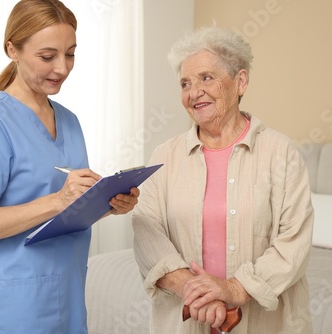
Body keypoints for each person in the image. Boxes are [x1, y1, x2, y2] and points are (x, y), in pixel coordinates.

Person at [0, 1, 139, 333]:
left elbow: (70, 208)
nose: (63, 68)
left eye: (70, 54)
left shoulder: (69, 121)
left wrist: (108, 204)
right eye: (47, 56)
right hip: (17, 302)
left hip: (68, 290)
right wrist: (57, 200)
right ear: (13, 49)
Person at [132, 26, 314, 334]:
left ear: (240, 81)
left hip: (264, 324)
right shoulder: (165, 155)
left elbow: (294, 242)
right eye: (185, 83)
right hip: (185, 322)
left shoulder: (280, 152)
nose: (194, 92)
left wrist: (235, 289)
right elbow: (147, 233)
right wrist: (202, 296)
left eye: (206, 78)